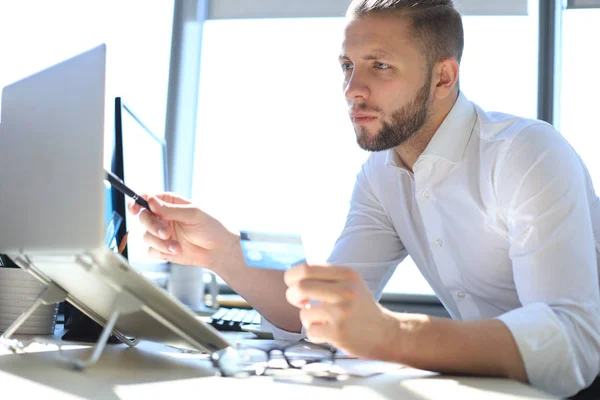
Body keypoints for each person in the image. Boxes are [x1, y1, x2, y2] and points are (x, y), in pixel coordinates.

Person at [128, 0, 600, 397]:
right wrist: (224, 253)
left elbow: (573, 342)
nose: (353, 90)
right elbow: (321, 318)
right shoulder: (381, 175)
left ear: (443, 77)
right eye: (348, 67)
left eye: (380, 65)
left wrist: (393, 334)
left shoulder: (527, 153)